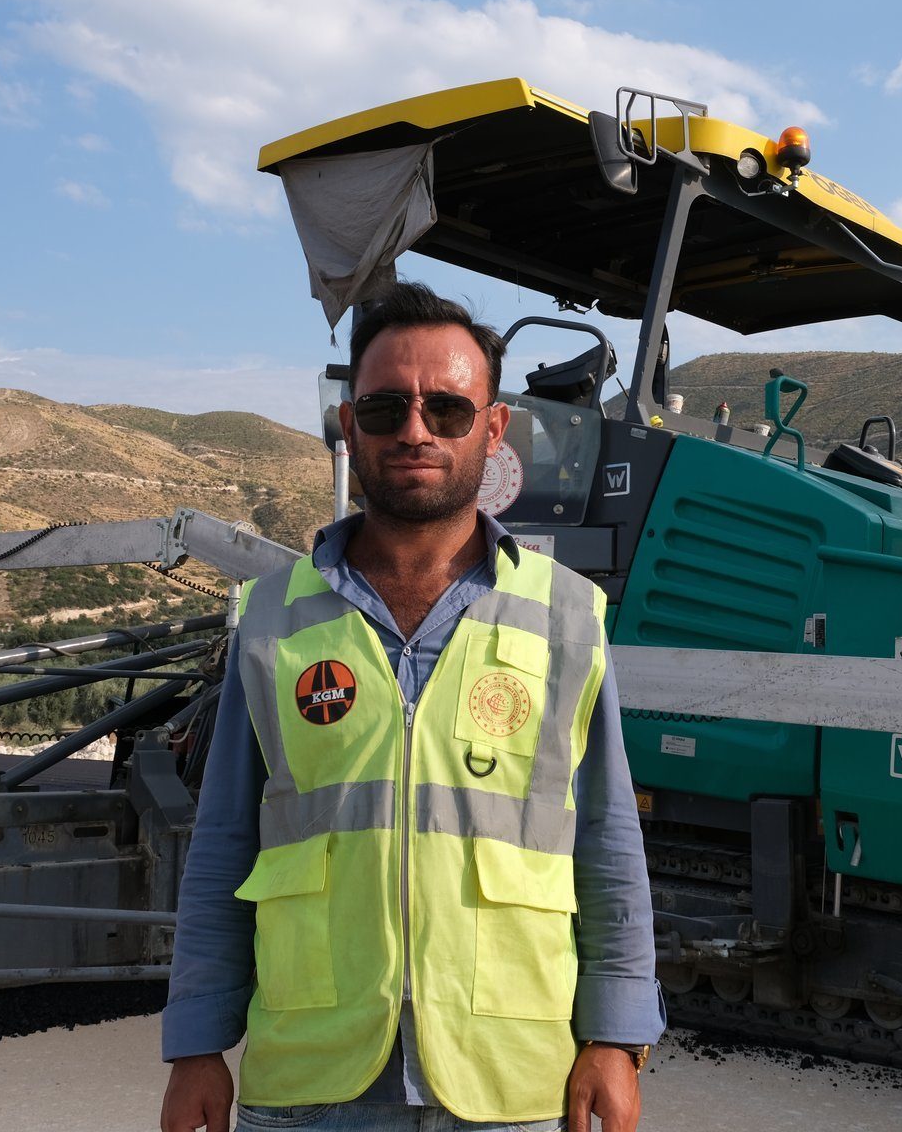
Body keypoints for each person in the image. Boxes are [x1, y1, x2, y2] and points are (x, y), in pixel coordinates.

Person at [160, 282, 663, 1132]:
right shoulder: (272, 618)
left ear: (494, 429)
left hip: (511, 1087)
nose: (416, 430)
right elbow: (222, 848)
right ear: (349, 424)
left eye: (448, 410)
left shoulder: (567, 617)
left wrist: (616, 1039)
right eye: (386, 408)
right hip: (316, 1087)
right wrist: (197, 1046)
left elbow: (608, 842)